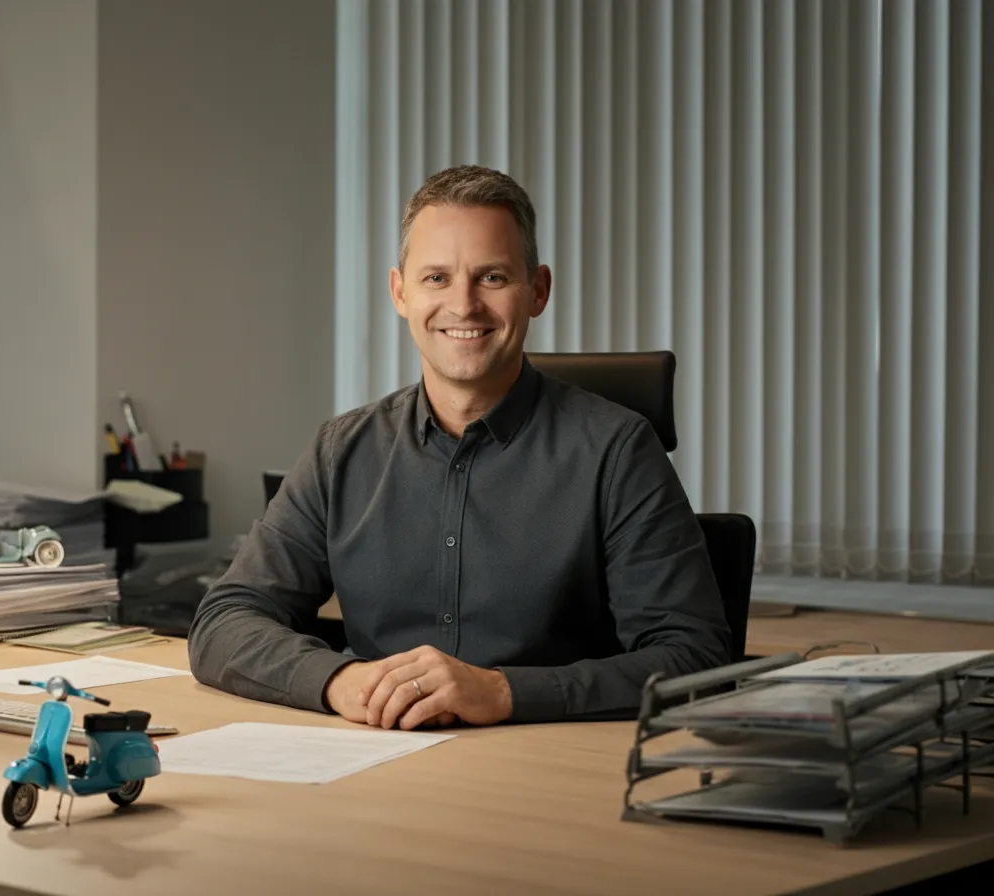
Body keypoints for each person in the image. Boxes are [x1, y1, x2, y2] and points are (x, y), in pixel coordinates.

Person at [188, 164, 731, 730]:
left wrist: (504, 692)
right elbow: (225, 621)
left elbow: (693, 656)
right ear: (401, 293)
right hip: (379, 761)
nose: (464, 305)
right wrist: (341, 683)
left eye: (492, 278)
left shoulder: (616, 451)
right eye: (437, 278)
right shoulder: (340, 451)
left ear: (538, 291)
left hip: (549, 769)